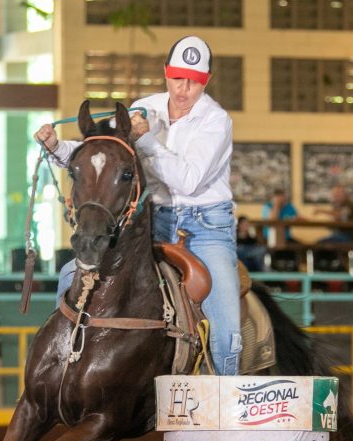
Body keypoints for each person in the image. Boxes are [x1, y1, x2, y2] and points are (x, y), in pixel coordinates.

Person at [36, 35, 241, 375]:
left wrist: (145, 139)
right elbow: (106, 153)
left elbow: (188, 180)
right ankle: (58, 363)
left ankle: (227, 400)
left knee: (226, 329)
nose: (183, 89)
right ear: (166, 73)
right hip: (152, 220)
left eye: (193, 81)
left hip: (206, 228)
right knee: (70, 273)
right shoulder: (144, 107)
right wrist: (57, 147)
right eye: (177, 78)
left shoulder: (216, 121)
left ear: (206, 81)